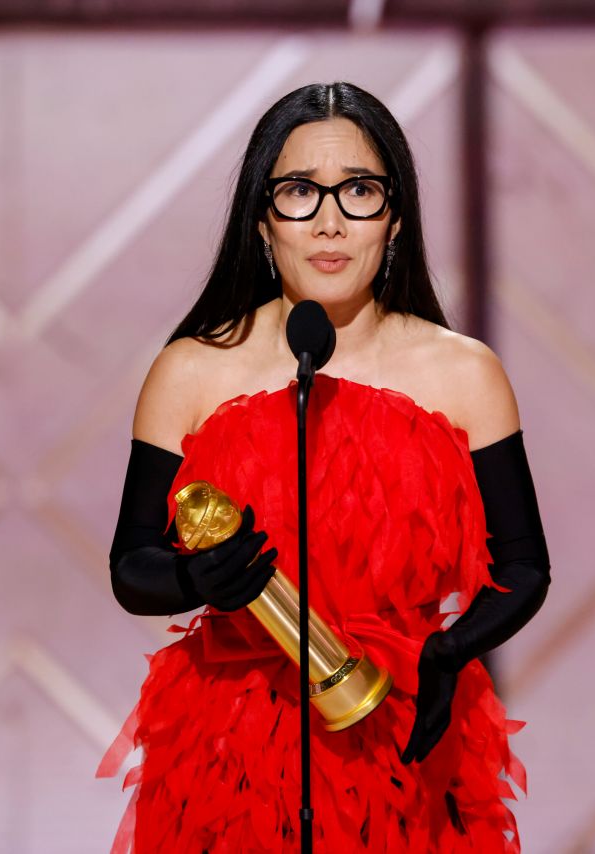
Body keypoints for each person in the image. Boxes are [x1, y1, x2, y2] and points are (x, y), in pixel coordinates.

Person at [97, 81, 550, 852]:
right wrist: (194, 581)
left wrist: (449, 651)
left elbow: (525, 565)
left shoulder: (464, 374)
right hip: (227, 748)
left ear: (395, 219)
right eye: (300, 192)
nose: (331, 220)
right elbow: (130, 564)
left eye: (360, 191)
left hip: (408, 732)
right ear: (263, 221)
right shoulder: (193, 370)